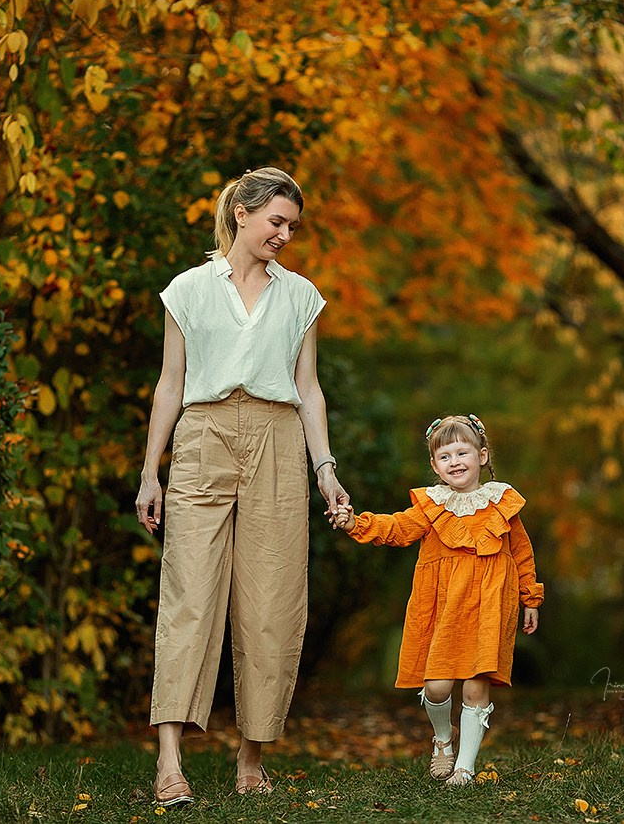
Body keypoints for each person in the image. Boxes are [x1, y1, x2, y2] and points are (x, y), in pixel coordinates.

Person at [135, 166, 348, 806]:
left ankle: (250, 758)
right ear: (242, 215)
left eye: (292, 226)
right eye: (276, 221)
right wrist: (151, 470)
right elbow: (169, 385)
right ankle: (169, 761)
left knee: (271, 601)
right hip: (202, 438)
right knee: (189, 595)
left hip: (279, 442)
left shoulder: (301, 296)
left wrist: (326, 469)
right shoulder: (188, 291)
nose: (284, 234)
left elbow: (309, 390)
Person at [329, 414, 544, 786]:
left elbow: (522, 554)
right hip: (444, 608)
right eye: (445, 456)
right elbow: (396, 528)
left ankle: (465, 766)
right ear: (434, 465)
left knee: (477, 684)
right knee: (437, 686)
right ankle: (443, 739)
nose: (455, 461)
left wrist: (530, 598)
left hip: (492, 606)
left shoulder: (503, 502)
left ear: (482, 455)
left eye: (463, 452)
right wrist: (355, 524)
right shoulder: (432, 506)